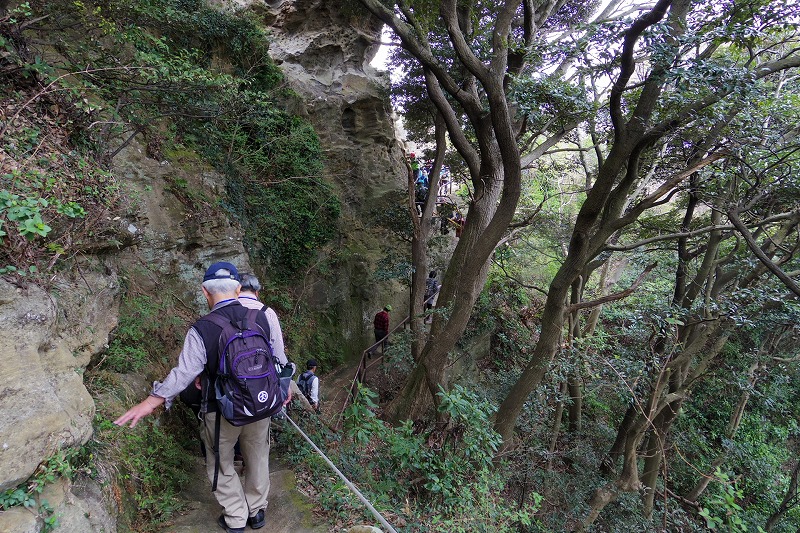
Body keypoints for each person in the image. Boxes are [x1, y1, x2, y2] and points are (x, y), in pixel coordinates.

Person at [114, 262, 287, 533]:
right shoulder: (262, 317)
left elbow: (183, 374)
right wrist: (282, 392)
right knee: (257, 456)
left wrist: (150, 402)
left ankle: (236, 517)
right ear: (238, 289)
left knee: (221, 462)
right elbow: (279, 361)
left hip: (220, 410)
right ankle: (256, 512)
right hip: (260, 404)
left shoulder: (202, 328)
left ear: (205, 292)